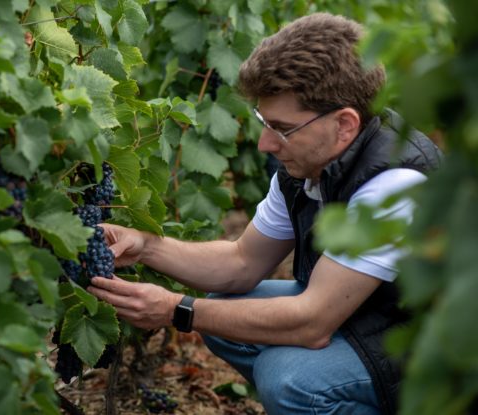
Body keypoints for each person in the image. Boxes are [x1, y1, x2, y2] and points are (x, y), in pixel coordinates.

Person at [87, 12, 442, 415]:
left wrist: (176, 310)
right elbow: (242, 262)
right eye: (262, 121)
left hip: (432, 354)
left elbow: (312, 322)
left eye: (281, 127)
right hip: (373, 315)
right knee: (227, 310)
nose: (264, 143)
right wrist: (147, 246)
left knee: (289, 379)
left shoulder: (393, 187)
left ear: (344, 125)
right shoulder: (311, 164)